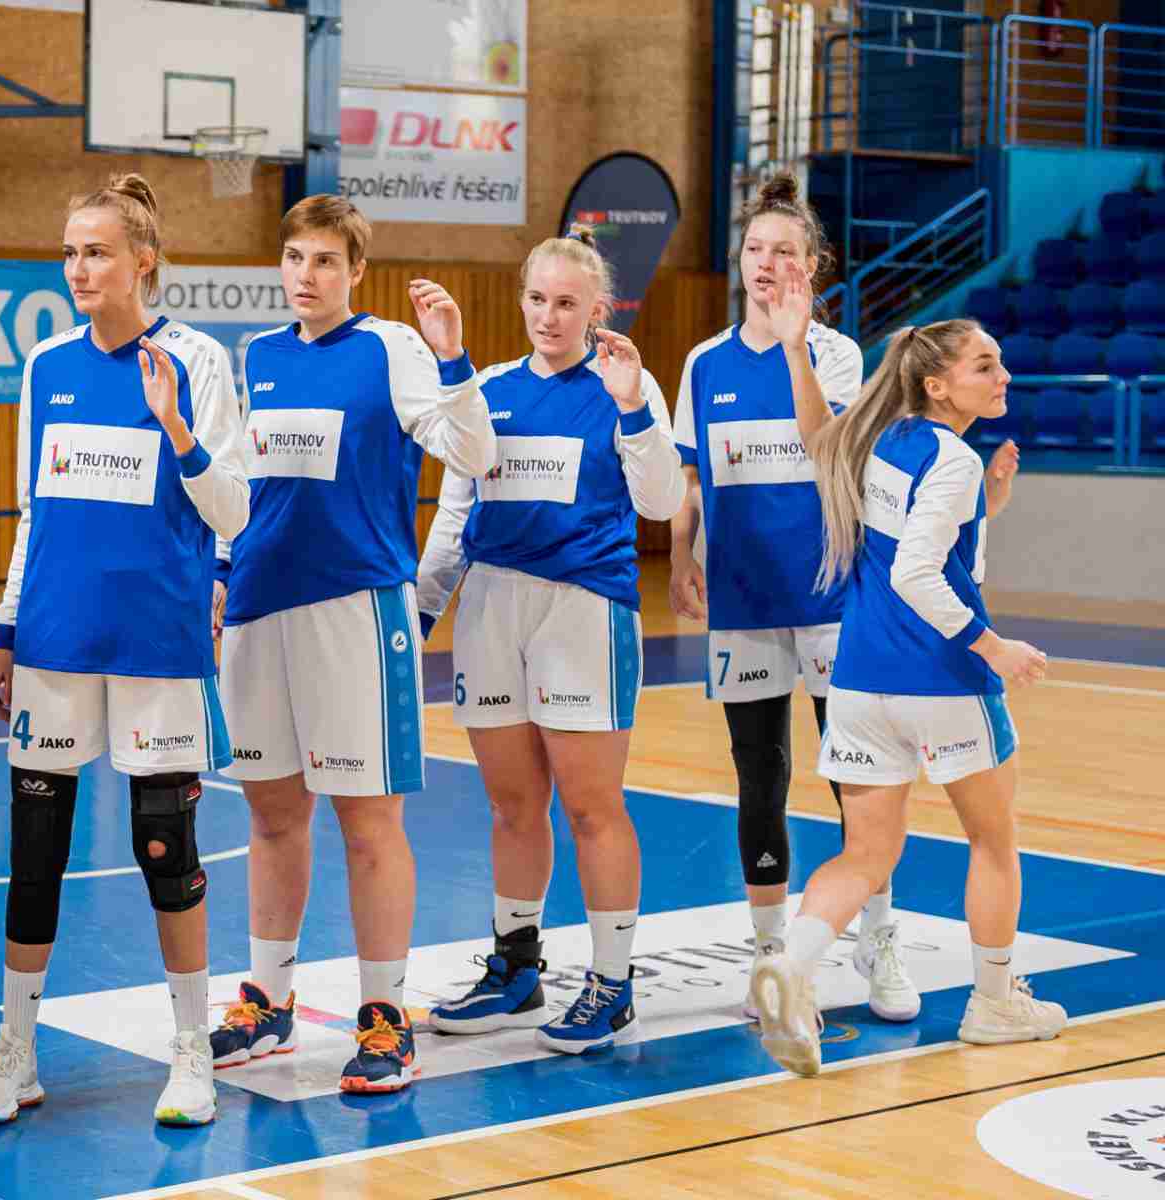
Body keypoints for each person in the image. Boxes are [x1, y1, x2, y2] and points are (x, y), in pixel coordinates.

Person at [0, 174, 249, 1128]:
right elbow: (32, 511)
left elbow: (235, 513)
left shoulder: (197, 361)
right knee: (34, 854)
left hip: (158, 644)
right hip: (54, 642)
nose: (79, 268)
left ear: (143, 260)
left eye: (97, 252)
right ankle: (15, 1055)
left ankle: (192, 1053)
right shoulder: (46, 363)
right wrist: (6, 629)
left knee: (165, 848)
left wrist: (178, 431)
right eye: (71, 252)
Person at [208, 194, 496, 1094]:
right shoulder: (259, 356)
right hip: (258, 609)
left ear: (355, 271)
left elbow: (475, 455)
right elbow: (244, 483)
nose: (307, 275)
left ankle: (384, 1015)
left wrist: (453, 358)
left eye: (326, 260)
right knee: (271, 816)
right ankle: (269, 999)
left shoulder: (392, 349)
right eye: (295, 258)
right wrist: (221, 572)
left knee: (368, 823)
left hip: (356, 612)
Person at [751, 319, 1059, 1076]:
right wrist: (993, 646)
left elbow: (894, 515)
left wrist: (989, 500)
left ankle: (791, 967)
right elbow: (915, 572)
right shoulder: (951, 458)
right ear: (937, 384)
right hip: (942, 680)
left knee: (865, 855)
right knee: (993, 842)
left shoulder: (881, 440)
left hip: (860, 680)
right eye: (985, 365)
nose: (1004, 376)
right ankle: (994, 1004)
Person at [416, 228, 685, 1053]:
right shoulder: (488, 389)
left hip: (583, 611)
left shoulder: (623, 387)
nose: (549, 316)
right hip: (491, 608)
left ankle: (612, 984)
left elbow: (662, 502)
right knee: (511, 806)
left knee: (592, 808)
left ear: (598, 309)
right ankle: (517, 969)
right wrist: (418, 617)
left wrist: (634, 408)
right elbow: (455, 516)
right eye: (538, 299)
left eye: (568, 303)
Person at [669, 173, 918, 1024]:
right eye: (755, 249)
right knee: (760, 774)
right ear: (739, 260)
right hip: (744, 601)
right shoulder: (704, 362)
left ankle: (877, 938)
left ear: (813, 265)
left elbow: (826, 446)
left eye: (785, 251)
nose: (768, 263)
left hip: (830, 597)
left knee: (858, 779)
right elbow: (692, 477)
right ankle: (772, 953)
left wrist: (793, 348)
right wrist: (680, 554)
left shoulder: (838, 355)